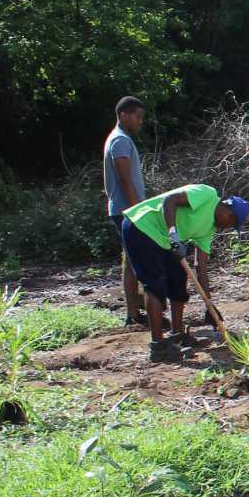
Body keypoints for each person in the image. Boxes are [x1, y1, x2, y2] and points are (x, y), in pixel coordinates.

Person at [119, 185, 249, 358]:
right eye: (232, 224)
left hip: (165, 240)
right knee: (155, 284)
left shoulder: (209, 229)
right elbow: (170, 201)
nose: (227, 228)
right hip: (142, 226)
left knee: (178, 280)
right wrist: (174, 237)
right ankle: (158, 347)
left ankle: (177, 335)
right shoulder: (207, 194)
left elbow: (200, 267)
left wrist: (209, 305)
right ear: (228, 212)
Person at [102, 96, 147, 327]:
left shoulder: (119, 139)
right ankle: (136, 313)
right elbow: (124, 177)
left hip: (123, 210)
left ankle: (134, 314)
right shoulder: (120, 141)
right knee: (138, 260)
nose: (140, 122)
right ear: (123, 115)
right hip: (127, 212)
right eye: (137, 117)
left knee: (130, 261)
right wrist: (138, 211)